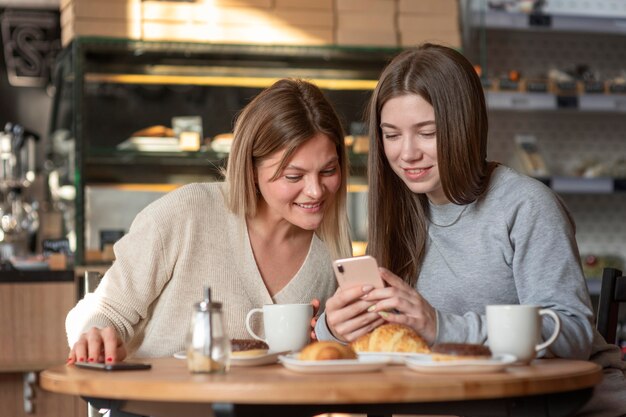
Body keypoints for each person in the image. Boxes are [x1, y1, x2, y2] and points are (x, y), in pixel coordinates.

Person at [315, 43, 626, 416]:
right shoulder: (401, 208)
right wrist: (335, 328)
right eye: (391, 134)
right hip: (464, 400)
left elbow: (572, 333)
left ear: (464, 127)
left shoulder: (525, 206)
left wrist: (440, 325)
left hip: (560, 404)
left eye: (427, 132)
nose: (407, 153)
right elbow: (396, 339)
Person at [66, 78, 352, 364]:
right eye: (294, 176)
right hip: (159, 405)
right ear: (252, 170)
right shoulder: (187, 213)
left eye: (328, 170)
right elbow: (108, 310)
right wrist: (95, 334)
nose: (316, 190)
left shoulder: (331, 250)